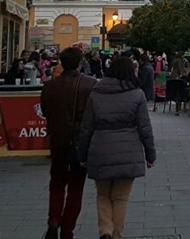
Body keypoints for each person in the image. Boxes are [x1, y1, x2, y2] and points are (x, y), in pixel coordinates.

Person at [77, 55, 156, 239]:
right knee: (120, 198)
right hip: (128, 150)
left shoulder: (96, 93)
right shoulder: (137, 94)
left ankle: (105, 230)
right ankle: (116, 234)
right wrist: (150, 155)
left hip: (100, 148)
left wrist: (83, 155)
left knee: (103, 194)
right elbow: (145, 128)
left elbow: (86, 127)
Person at [40, 47, 97, 239]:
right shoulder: (90, 84)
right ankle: (67, 229)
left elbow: (45, 111)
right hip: (80, 143)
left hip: (57, 140)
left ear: (61, 63)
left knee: (56, 182)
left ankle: (53, 220)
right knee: (76, 186)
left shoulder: (50, 86)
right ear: (81, 62)